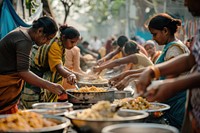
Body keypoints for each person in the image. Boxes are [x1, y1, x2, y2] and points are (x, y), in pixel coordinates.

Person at [137, 0, 200, 132]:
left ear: (165, 31)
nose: (185, 4)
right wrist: (153, 71)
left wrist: (173, 85)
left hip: (178, 106)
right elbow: (191, 60)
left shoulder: (174, 48)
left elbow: (176, 76)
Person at [0, 16, 66, 114]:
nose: (47, 43)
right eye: (48, 38)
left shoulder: (22, 32)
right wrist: (49, 85)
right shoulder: (24, 40)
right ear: (40, 31)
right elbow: (23, 72)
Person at [21, 25, 79, 108]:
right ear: (63, 37)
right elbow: (58, 67)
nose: (73, 45)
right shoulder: (55, 46)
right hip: (35, 78)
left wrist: (73, 73)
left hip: (39, 78)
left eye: (75, 43)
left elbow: (59, 64)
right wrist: (69, 75)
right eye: (72, 42)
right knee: (34, 108)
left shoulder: (60, 45)